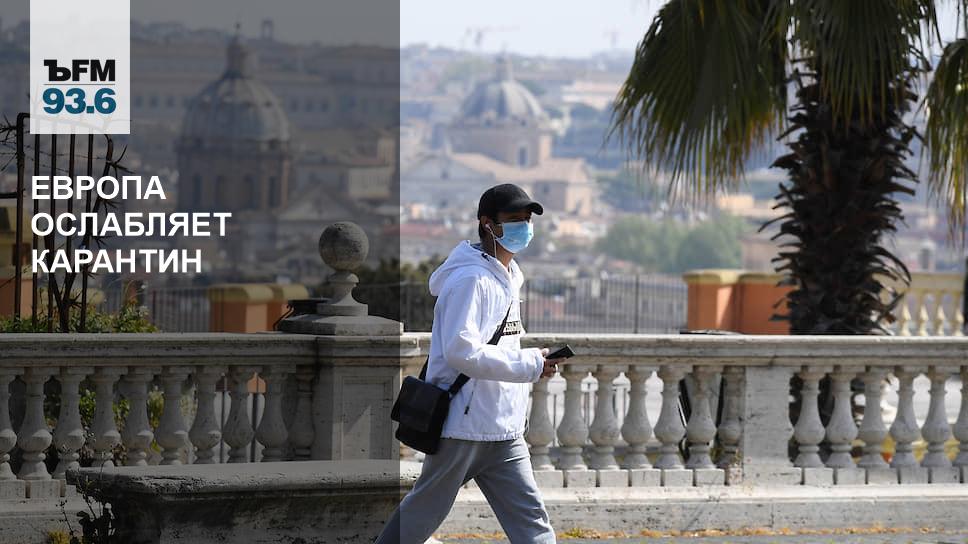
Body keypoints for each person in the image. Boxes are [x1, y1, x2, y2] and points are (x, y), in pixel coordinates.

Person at [376, 183, 563, 544]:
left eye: (527, 219)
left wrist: (536, 362)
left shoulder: (510, 276)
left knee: (533, 524)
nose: (524, 227)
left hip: (505, 429)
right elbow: (461, 351)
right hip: (463, 428)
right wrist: (527, 364)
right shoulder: (470, 280)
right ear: (487, 224)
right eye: (514, 219)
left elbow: (503, 345)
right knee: (420, 516)